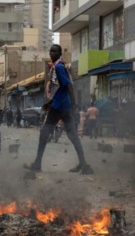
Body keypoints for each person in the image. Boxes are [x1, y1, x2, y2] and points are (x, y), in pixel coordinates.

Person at [25, 44, 93, 174]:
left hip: (60, 107)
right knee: (72, 135)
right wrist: (50, 102)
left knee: (44, 133)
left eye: (55, 51)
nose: (52, 53)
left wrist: (73, 104)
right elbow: (59, 88)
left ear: (60, 53)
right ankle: (84, 164)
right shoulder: (56, 66)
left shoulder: (59, 67)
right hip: (60, 105)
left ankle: (37, 164)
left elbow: (68, 86)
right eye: (51, 51)